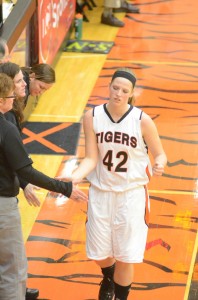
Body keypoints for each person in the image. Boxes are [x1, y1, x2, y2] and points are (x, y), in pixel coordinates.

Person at [63, 68, 167, 300]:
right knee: (98, 253)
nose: (118, 93)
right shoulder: (92, 116)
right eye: (115, 88)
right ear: (109, 86)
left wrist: (159, 163)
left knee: (126, 255)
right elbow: (91, 157)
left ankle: (120, 296)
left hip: (131, 195)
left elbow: (161, 154)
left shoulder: (142, 120)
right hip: (100, 192)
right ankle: (108, 273)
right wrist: (76, 176)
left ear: (131, 94)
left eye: (124, 91)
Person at [0, 72, 88, 300]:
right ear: (0, 100)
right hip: (2, 208)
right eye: (10, 96)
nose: (14, 100)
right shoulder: (6, 129)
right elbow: (26, 170)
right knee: (13, 268)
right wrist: (64, 188)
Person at [0, 61, 54, 299]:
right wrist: (65, 187)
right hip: (3, 201)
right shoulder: (7, 122)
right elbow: (17, 160)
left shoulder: (12, 111)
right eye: (20, 82)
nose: (28, 88)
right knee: (14, 265)